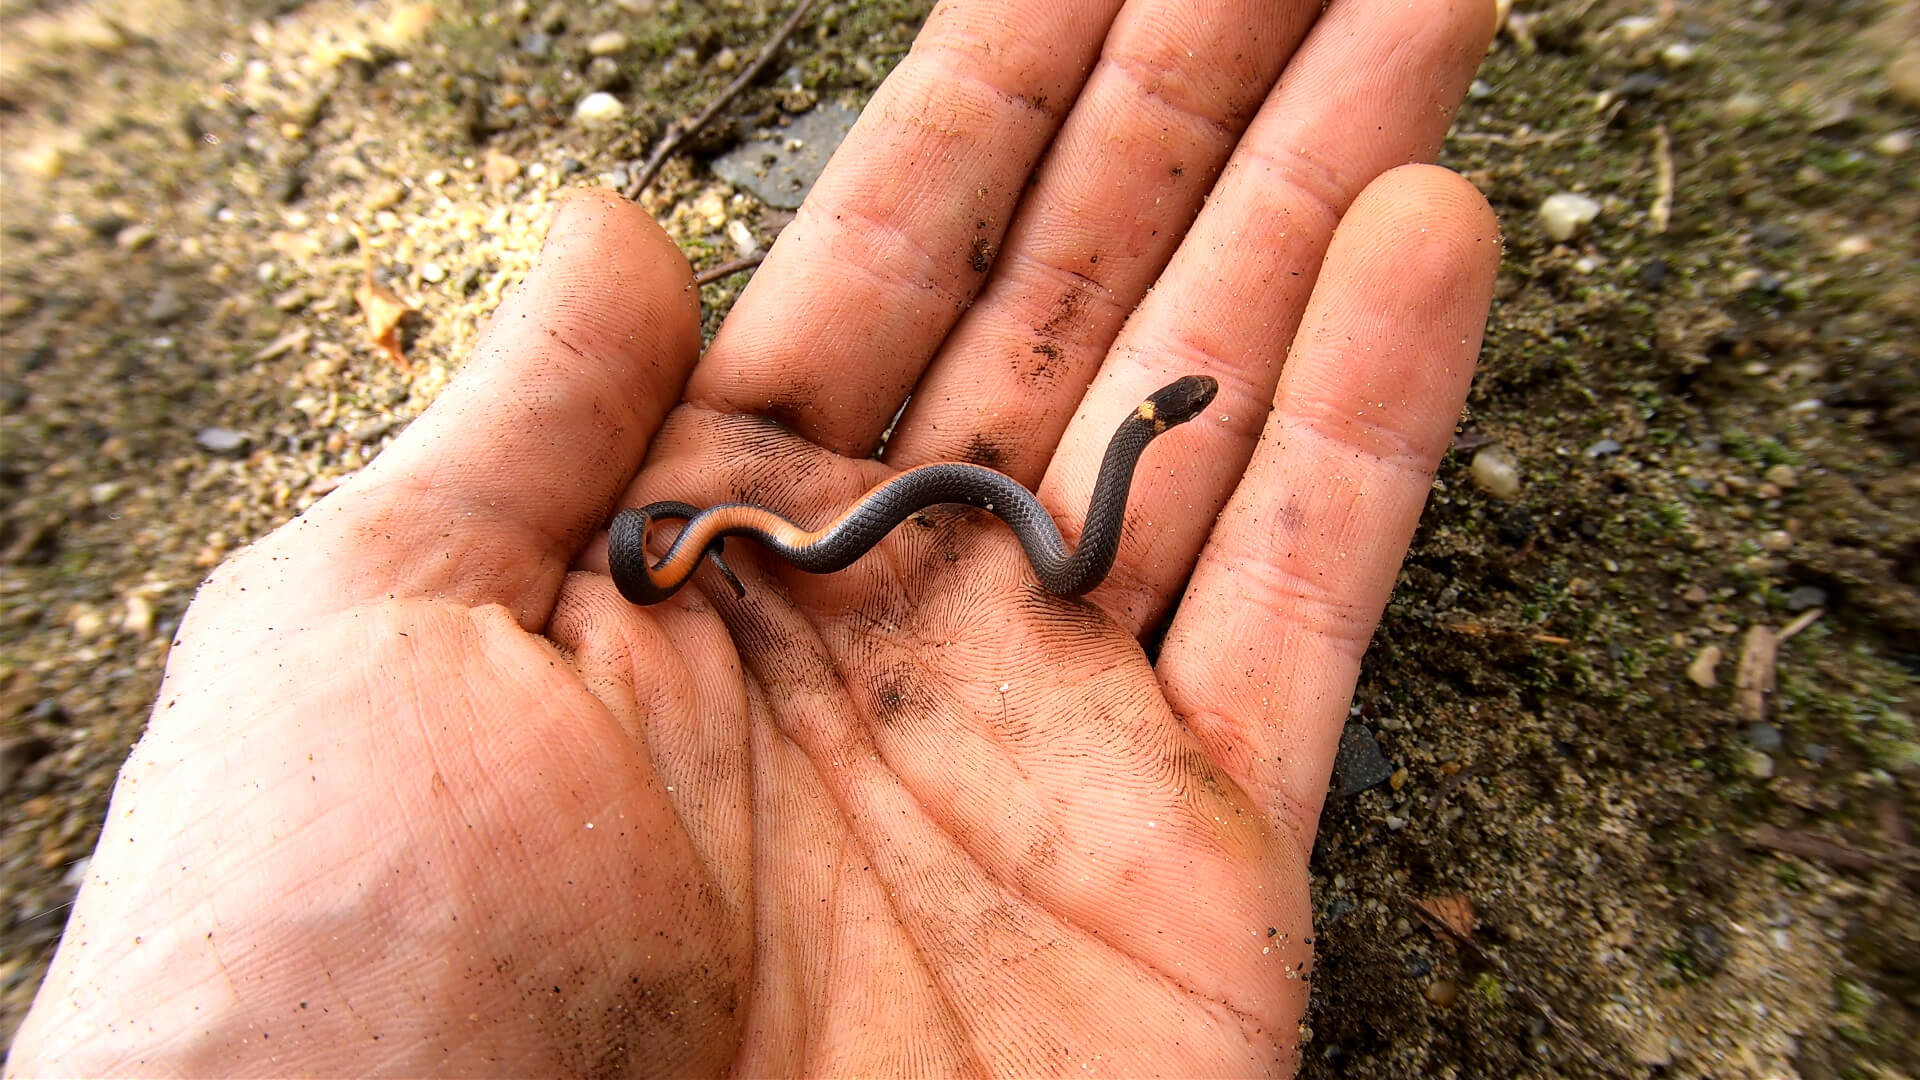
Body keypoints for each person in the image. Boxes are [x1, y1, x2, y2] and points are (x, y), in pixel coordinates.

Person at [6, 0, 1501, 1074]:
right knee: (897, 524)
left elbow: (1025, 557)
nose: (666, 558)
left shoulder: (999, 542)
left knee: (999, 532)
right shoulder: (702, 553)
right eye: (1162, 411)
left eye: (1152, 411)